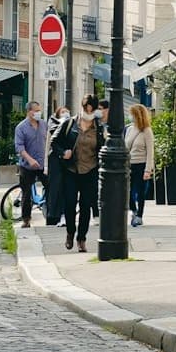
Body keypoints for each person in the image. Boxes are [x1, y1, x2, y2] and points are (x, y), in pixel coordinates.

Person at [62, 96, 102, 251]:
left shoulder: (98, 128)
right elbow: (55, 142)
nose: (89, 110)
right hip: (72, 170)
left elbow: (102, 147)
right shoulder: (70, 123)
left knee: (86, 206)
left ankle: (81, 239)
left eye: (92, 107)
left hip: (90, 170)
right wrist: (63, 152)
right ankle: (70, 232)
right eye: (87, 107)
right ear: (82, 106)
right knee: (70, 204)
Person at [13, 101, 46, 228]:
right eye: (36, 111)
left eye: (39, 110)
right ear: (29, 112)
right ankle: (26, 219)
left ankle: (51, 215)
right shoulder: (21, 127)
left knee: (51, 188)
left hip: (42, 164)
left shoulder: (43, 124)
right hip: (27, 165)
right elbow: (19, 147)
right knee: (26, 193)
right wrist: (30, 159)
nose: (38, 113)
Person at [126, 104, 154, 224]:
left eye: (132, 114)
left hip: (141, 164)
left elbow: (150, 151)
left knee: (140, 192)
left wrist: (148, 170)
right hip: (129, 165)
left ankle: (139, 216)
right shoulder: (129, 129)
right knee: (127, 190)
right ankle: (133, 209)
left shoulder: (146, 131)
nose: (130, 116)